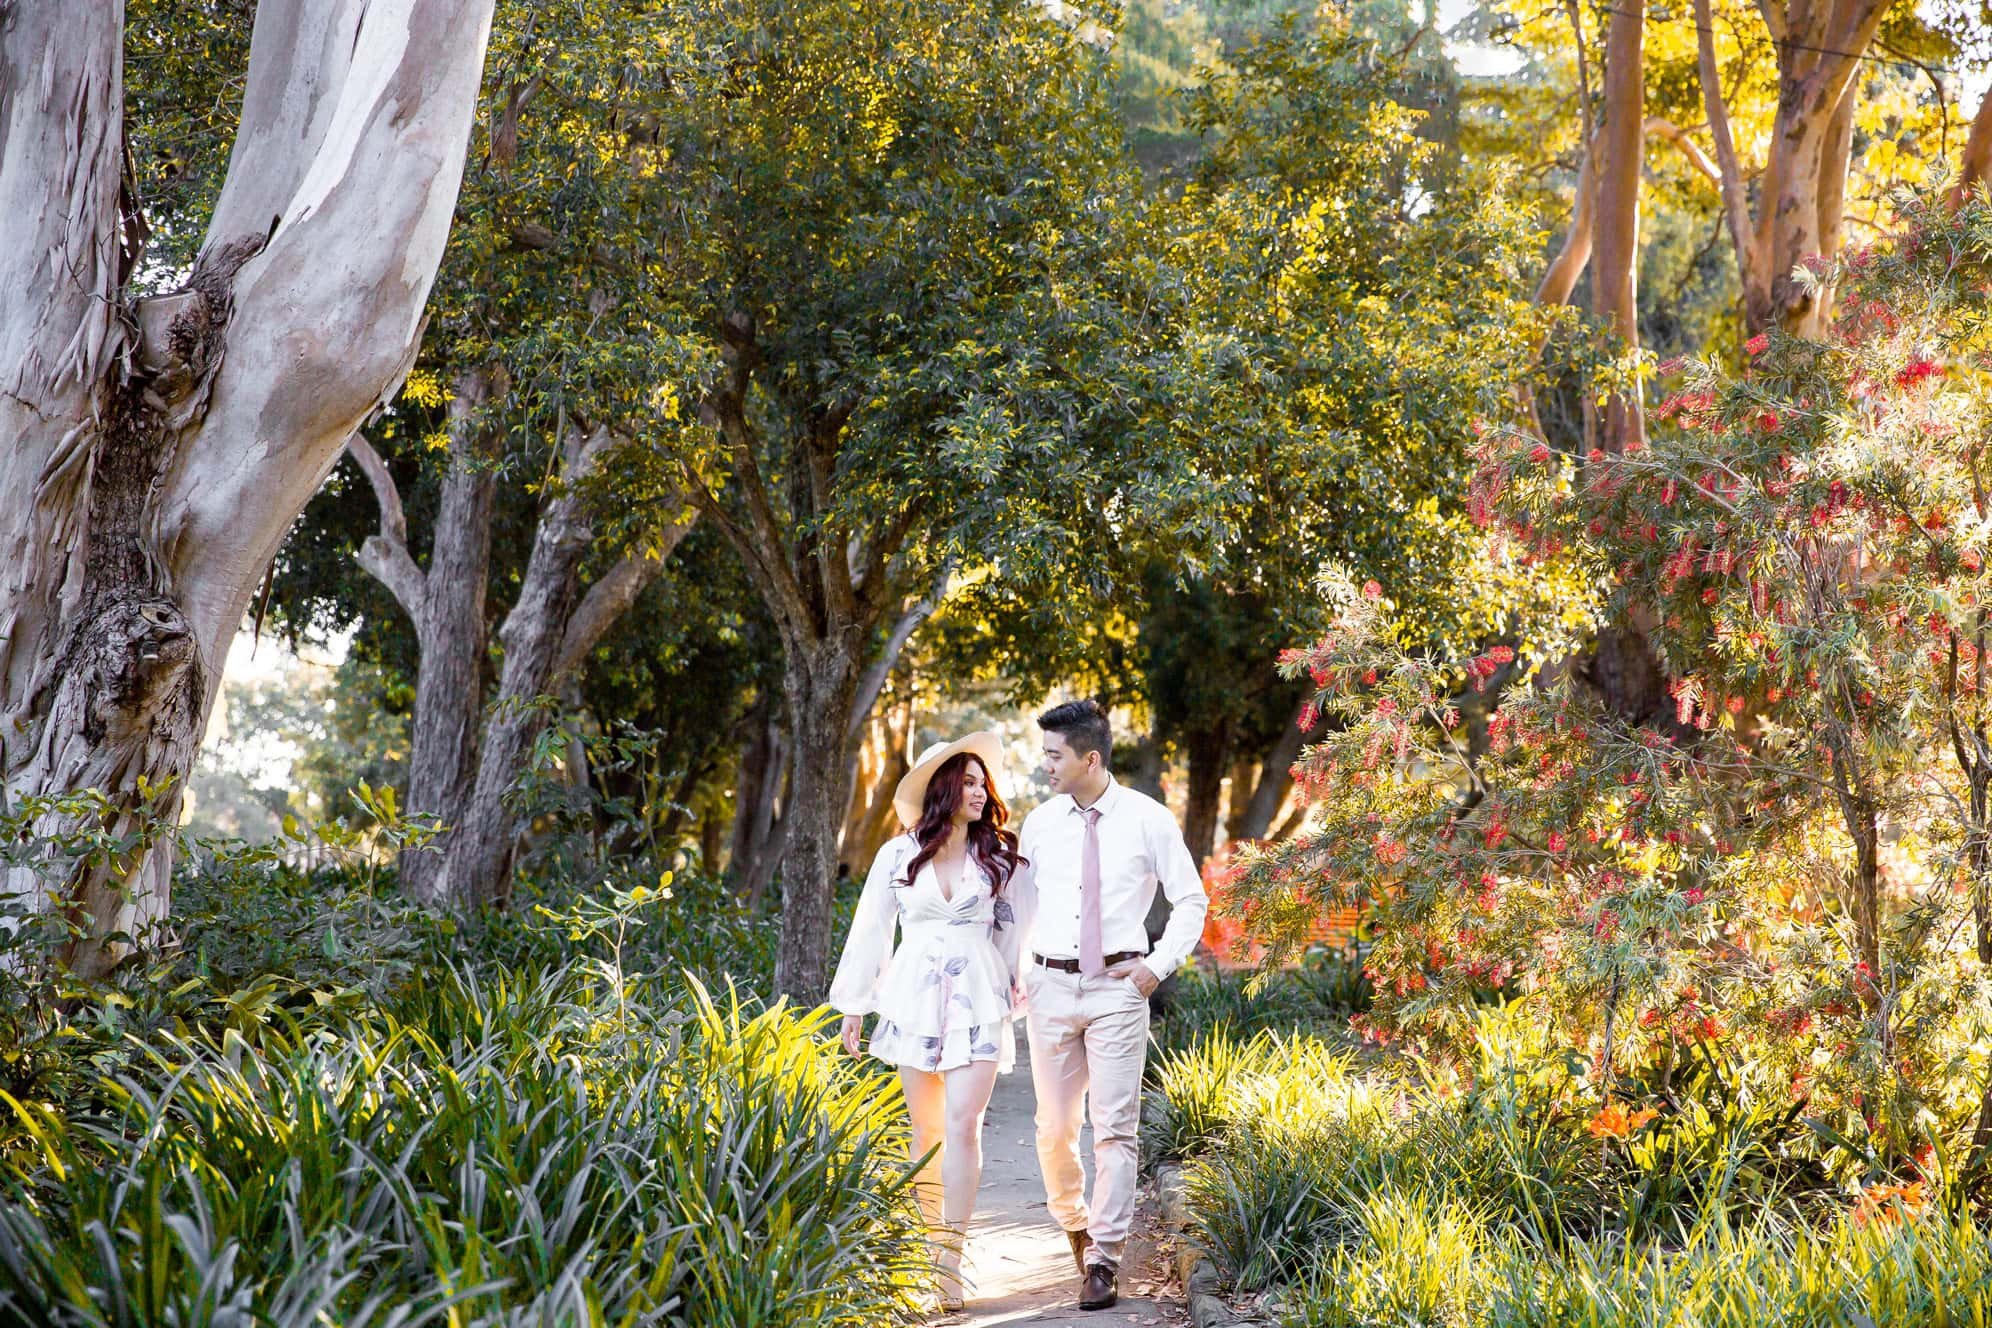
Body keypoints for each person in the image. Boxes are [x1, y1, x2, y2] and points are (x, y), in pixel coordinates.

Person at [829, 732, 1031, 1312]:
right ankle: (928, 1249)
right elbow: (870, 928)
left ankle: (950, 1261)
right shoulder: (898, 855)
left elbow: (1015, 926)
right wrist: (855, 1006)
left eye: (981, 782)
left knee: (965, 1126)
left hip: (978, 999)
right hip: (913, 1000)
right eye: (967, 781)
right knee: (927, 1135)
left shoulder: (999, 857)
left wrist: (1012, 984)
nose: (979, 790)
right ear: (943, 789)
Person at [1018, 699, 1207, 1311]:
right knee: (1054, 1129)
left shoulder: (1148, 820)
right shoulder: (1040, 823)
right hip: (1049, 988)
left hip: (1118, 992)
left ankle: (1103, 1257)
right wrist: (1016, 975)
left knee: (1115, 1128)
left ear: (1089, 758)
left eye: (1053, 755)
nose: (1044, 764)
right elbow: (1019, 908)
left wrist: (1155, 968)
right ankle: (1074, 1223)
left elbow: (1191, 901)